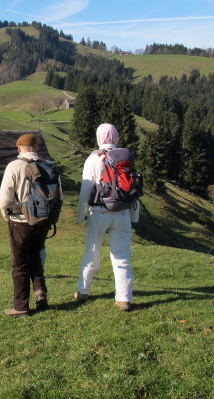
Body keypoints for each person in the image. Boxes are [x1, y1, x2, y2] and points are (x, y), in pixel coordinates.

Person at [74, 123, 139, 312]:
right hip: (122, 214)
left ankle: (83, 291)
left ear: (99, 138)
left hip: (99, 213)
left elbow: (86, 190)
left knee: (92, 253)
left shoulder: (94, 159)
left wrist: (80, 217)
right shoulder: (126, 159)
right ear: (116, 138)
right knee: (122, 258)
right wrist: (134, 215)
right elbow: (133, 188)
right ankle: (124, 299)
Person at [0, 133, 50, 317]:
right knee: (35, 254)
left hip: (20, 222)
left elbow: (5, 196)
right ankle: (40, 292)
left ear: (18, 149)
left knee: (19, 264)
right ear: (37, 148)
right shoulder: (48, 166)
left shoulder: (14, 166)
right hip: (43, 222)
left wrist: (7, 215)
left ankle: (20, 307)